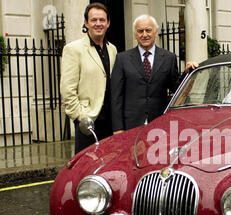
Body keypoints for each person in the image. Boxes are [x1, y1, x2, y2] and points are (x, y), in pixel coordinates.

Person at [111, 14, 198, 134]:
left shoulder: (169, 58)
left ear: (156, 33)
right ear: (135, 35)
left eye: (148, 30)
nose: (144, 34)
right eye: (140, 31)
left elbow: (176, 89)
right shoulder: (122, 59)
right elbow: (116, 97)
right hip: (131, 125)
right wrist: (118, 128)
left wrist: (188, 73)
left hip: (159, 123)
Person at [60, 2, 117, 154]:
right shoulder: (73, 49)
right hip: (88, 121)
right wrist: (80, 117)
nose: (98, 24)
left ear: (108, 23)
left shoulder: (112, 49)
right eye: (94, 20)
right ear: (86, 23)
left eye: (102, 20)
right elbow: (67, 90)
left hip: (110, 121)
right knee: (86, 167)